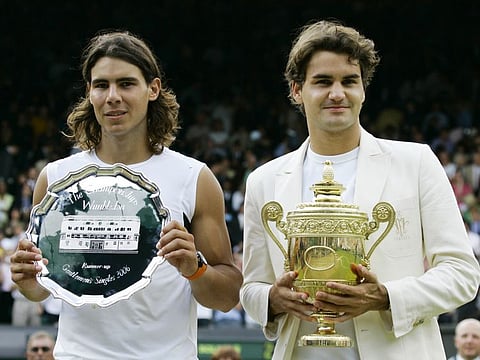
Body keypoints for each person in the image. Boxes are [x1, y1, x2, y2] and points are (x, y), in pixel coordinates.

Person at [240, 20, 480, 360]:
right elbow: (252, 287)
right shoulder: (264, 180)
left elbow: (463, 273)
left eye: (349, 81)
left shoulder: (416, 162)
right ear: (297, 90)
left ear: (363, 90)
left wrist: (385, 296)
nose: (337, 93)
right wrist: (271, 300)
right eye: (323, 81)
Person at [10, 30, 242, 359]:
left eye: (126, 83)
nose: (113, 96)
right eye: (102, 85)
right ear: (89, 92)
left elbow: (227, 296)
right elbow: (40, 290)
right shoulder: (56, 178)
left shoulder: (194, 178)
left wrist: (195, 268)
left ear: (153, 88)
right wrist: (26, 280)